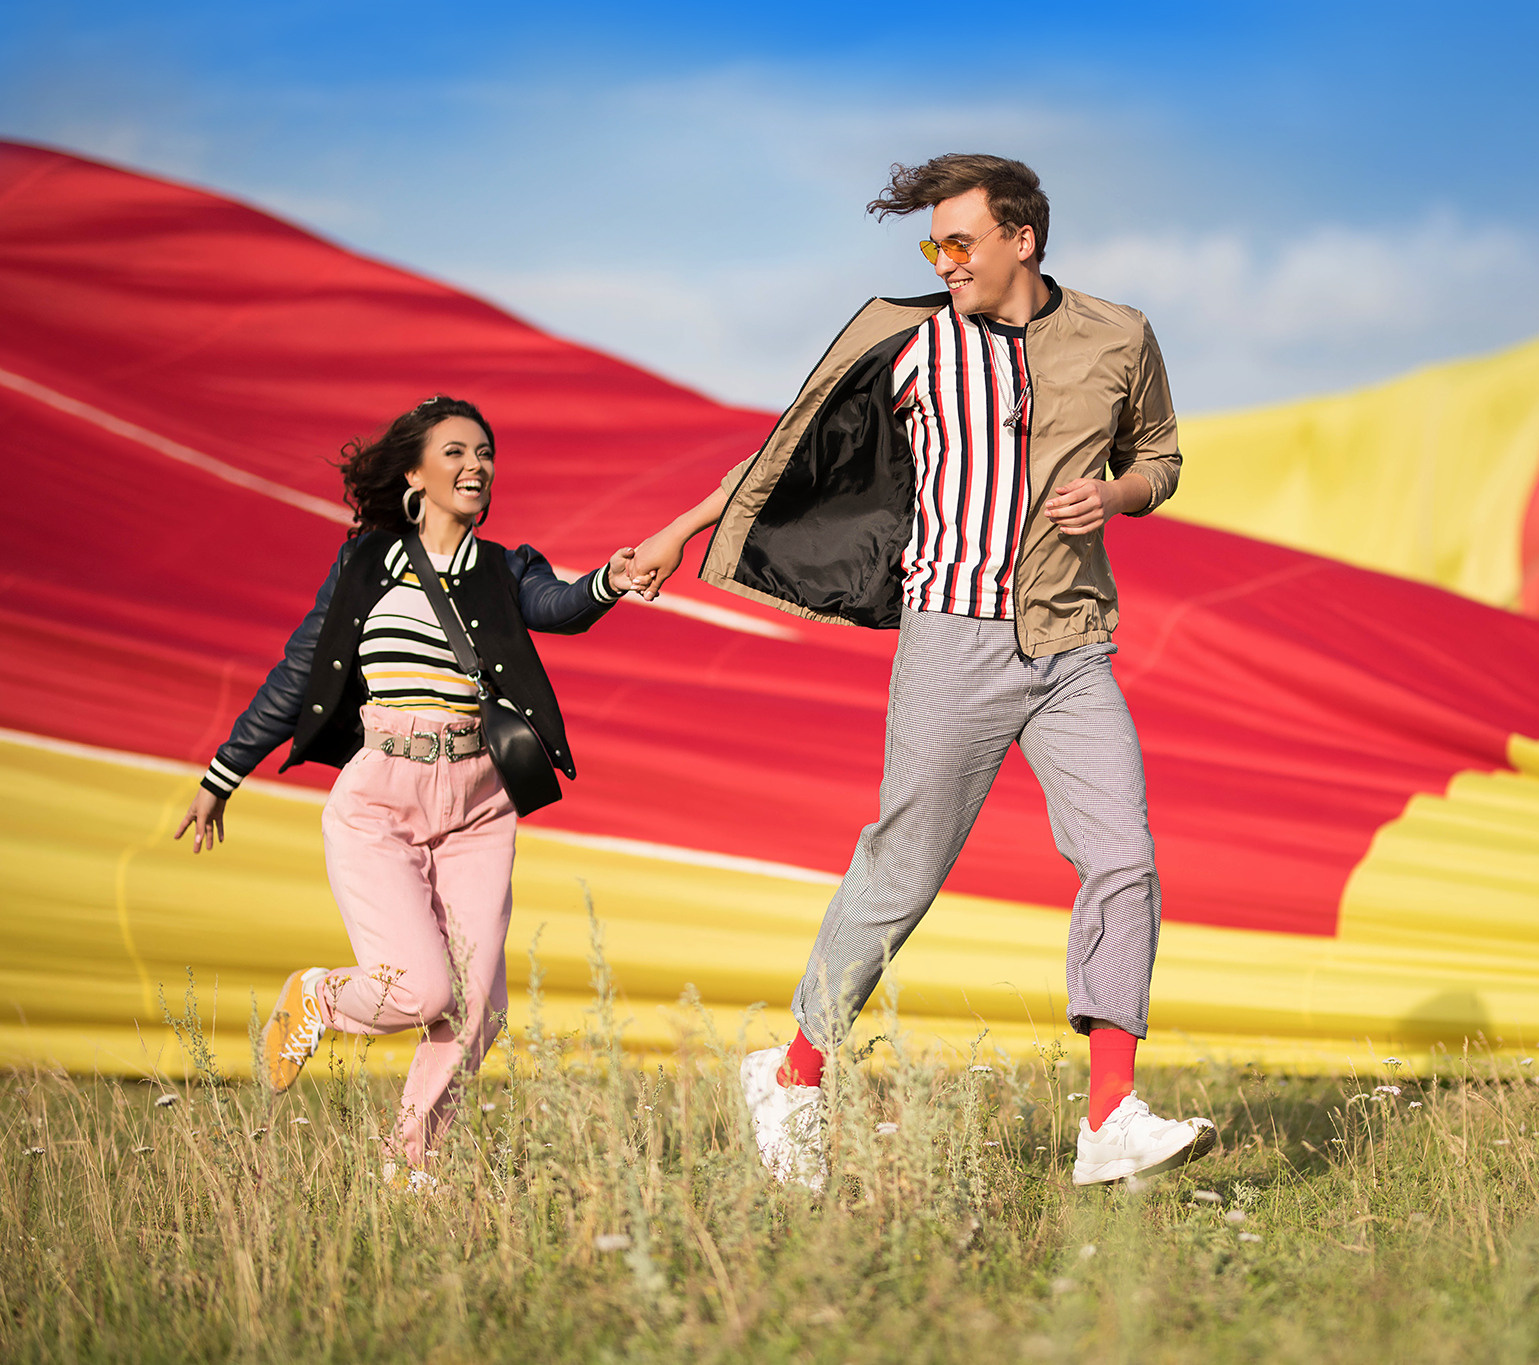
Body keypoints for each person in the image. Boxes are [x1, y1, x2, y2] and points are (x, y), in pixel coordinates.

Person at [632, 154, 1214, 1188]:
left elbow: (1160, 456)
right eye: (931, 245)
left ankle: (1109, 1114)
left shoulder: (1118, 334)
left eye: (959, 242)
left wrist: (1118, 496)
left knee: (1121, 856)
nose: (942, 261)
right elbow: (778, 454)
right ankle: (793, 1072)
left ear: (1020, 240)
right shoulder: (911, 345)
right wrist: (679, 533)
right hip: (951, 637)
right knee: (904, 869)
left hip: (1071, 642)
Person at [175, 396, 642, 1176]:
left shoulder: (503, 568)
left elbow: (557, 606)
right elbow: (299, 672)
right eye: (456, 452)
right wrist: (223, 774)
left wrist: (610, 580)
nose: (477, 466)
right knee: (422, 990)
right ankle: (323, 996)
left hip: (480, 804)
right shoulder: (365, 565)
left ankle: (410, 1160)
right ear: (415, 475)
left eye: (486, 453)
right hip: (381, 799)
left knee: (479, 1007)